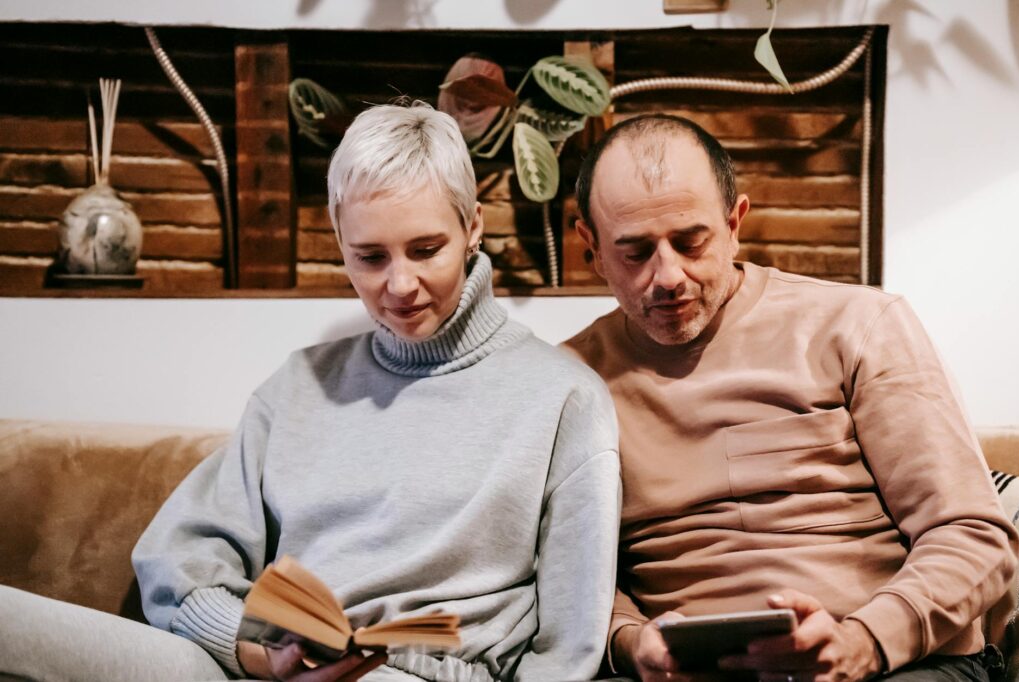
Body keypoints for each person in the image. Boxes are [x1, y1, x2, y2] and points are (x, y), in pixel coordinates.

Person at [0, 103, 621, 682]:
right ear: (340, 244)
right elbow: (178, 560)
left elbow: (568, 647)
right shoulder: (297, 386)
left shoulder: (563, 398)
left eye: (426, 250)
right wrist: (255, 656)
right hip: (250, 669)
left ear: (472, 227)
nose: (399, 285)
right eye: (370, 257)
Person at [563, 113, 1019, 682]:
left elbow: (972, 535)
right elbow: (566, 576)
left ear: (734, 223)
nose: (668, 275)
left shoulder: (858, 324)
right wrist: (630, 644)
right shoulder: (570, 381)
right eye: (635, 252)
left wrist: (863, 643)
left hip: (896, 664)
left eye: (691, 241)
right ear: (592, 246)